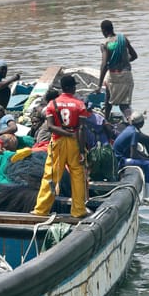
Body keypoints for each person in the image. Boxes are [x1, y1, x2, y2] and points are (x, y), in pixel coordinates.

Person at [30, 73, 90, 219]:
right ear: (71, 88)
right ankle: (78, 210)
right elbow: (81, 129)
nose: (75, 88)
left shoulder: (52, 104)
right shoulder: (79, 105)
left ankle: (41, 210)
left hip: (57, 142)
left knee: (50, 175)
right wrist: (82, 150)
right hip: (74, 142)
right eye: (74, 86)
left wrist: (64, 133)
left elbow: (50, 127)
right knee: (77, 175)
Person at [112, 113, 149, 205]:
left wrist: (147, 157)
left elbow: (133, 151)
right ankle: (147, 197)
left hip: (120, 157)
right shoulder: (134, 133)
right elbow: (133, 154)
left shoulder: (130, 129)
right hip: (120, 160)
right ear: (141, 124)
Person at [98, 19, 138, 122]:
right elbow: (134, 56)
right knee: (124, 105)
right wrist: (124, 61)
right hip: (127, 75)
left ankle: (106, 122)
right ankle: (132, 121)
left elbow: (104, 65)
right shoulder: (123, 39)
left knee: (108, 101)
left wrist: (99, 85)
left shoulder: (105, 43)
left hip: (114, 76)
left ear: (103, 30)